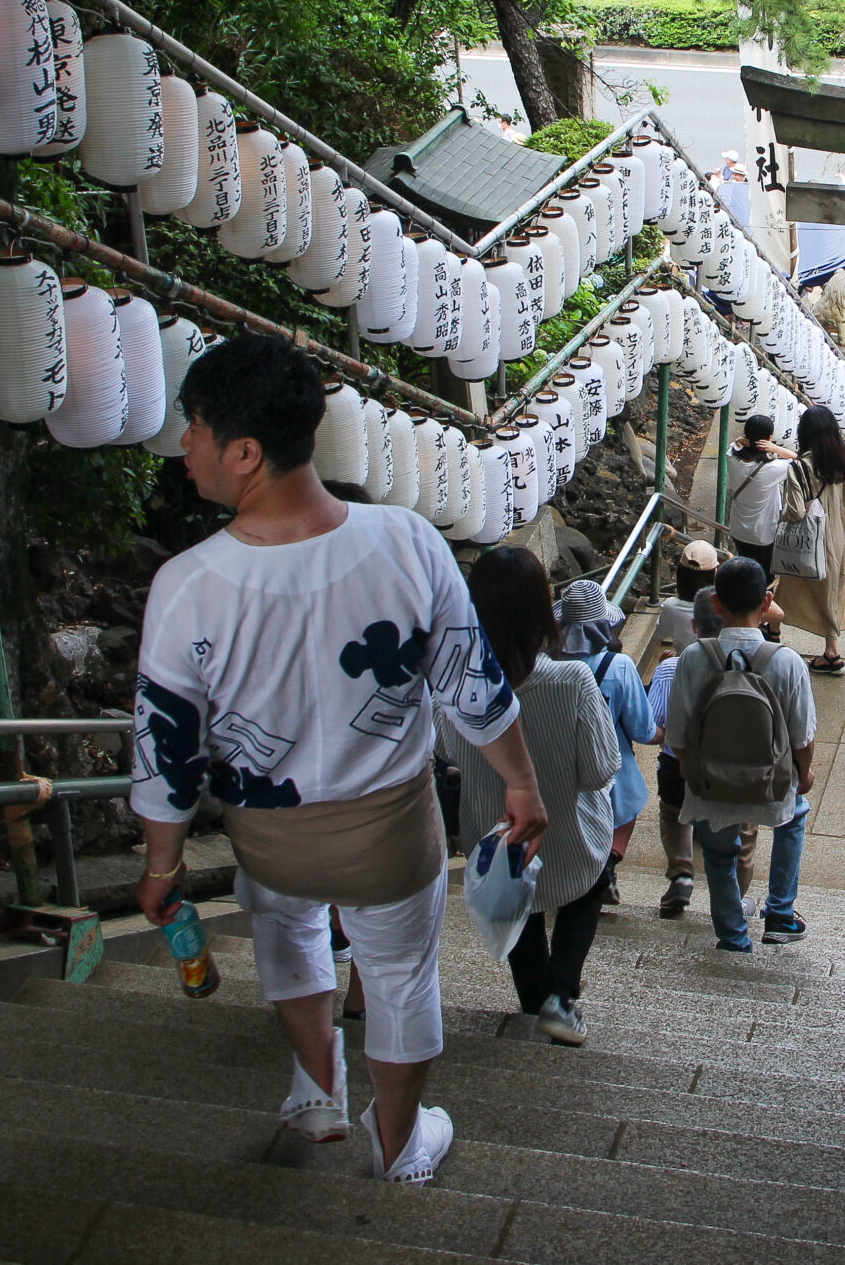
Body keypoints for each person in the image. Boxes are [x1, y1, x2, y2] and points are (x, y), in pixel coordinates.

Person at [132, 334, 548, 1185]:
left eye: (196, 428)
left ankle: (317, 1089)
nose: (185, 444)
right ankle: (398, 1148)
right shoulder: (406, 542)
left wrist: (161, 860)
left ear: (244, 453)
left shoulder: (187, 583)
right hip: (388, 834)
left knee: (288, 936)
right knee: (399, 979)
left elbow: (165, 745)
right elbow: (473, 692)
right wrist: (520, 781)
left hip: (267, 835)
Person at [447, 551, 619, 1047]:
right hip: (565, 829)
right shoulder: (572, 680)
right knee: (585, 888)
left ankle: (535, 998)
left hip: (492, 827)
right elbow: (601, 768)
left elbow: (444, 748)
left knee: (517, 902)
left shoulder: (460, 685)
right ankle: (561, 996)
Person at [664, 558, 817, 951]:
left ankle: (732, 934)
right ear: (767, 603)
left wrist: (690, 769)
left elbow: (677, 732)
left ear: (716, 603)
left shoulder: (695, 658)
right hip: (772, 780)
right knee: (794, 815)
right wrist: (805, 772)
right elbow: (802, 736)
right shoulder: (787, 662)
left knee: (717, 853)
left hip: (711, 782)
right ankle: (780, 911)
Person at [553, 580, 656, 906]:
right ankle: (608, 864)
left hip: (558, 763)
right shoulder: (618, 666)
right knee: (626, 807)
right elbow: (642, 729)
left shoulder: (547, 664)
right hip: (609, 763)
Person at [647, 543, 717, 914]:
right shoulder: (740, 666)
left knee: (673, 811)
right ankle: (729, 894)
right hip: (720, 759)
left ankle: (681, 873)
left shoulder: (670, 667)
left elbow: (651, 721)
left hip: (676, 758)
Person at [777, 405, 845, 673]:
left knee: (791, 582)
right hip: (836, 541)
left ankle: (830, 653)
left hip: (807, 542)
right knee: (832, 591)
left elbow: (795, 511)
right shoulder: (844, 468)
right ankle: (828, 649)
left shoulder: (799, 468)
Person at [723, 412, 791, 571]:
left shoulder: (732, 460)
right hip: (763, 534)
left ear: (745, 436)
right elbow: (799, 460)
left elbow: (733, 448)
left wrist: (738, 442)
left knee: (745, 569)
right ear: (769, 439)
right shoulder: (772, 469)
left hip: (738, 531)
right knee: (765, 574)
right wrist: (777, 448)